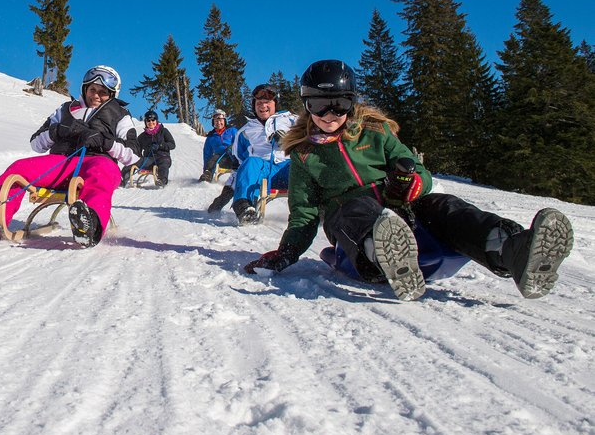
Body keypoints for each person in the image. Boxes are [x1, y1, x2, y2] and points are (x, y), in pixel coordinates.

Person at [243, 59, 575, 301]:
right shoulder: (304, 155)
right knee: (355, 207)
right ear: (305, 106)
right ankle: (385, 255)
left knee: (443, 205)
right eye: (319, 105)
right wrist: (287, 252)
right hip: (352, 226)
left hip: (401, 211)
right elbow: (304, 214)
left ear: (352, 104)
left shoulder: (375, 132)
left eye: (339, 105)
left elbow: (423, 176)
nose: (330, 115)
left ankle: (511, 248)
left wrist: (410, 181)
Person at [0, 65, 142, 247]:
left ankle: (89, 226)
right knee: (19, 168)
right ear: (85, 88)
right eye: (93, 89)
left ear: (111, 94)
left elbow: (133, 155)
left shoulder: (120, 115)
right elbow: (36, 144)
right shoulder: (65, 110)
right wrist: (57, 131)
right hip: (62, 163)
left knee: (103, 172)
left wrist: (104, 142)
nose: (96, 96)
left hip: (96, 162)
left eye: (103, 92)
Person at [228, 84, 298, 224]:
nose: (263, 106)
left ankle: (318, 207)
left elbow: (310, 140)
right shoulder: (246, 130)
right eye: (259, 103)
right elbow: (240, 160)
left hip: (289, 168)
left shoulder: (293, 120)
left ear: (275, 104)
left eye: (267, 102)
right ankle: (244, 207)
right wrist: (228, 189)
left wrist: (288, 140)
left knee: (304, 164)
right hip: (262, 170)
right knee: (252, 161)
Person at [123, 110, 176, 187]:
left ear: (156, 121)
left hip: (163, 157)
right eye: (148, 120)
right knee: (133, 162)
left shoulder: (163, 131)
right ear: (145, 122)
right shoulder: (142, 136)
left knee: (163, 164)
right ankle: (122, 179)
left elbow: (172, 145)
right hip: (149, 159)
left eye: (153, 120)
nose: (151, 122)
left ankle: (162, 180)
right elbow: (137, 149)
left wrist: (160, 145)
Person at [199, 109, 236, 182]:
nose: (218, 123)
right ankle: (207, 175)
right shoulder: (211, 137)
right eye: (216, 121)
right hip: (221, 159)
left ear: (224, 121)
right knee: (213, 159)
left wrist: (233, 146)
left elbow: (240, 142)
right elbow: (207, 154)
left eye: (220, 120)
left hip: (234, 156)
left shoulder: (232, 131)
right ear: (213, 122)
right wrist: (205, 169)